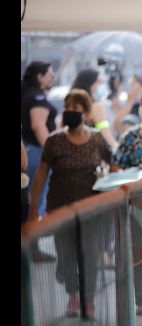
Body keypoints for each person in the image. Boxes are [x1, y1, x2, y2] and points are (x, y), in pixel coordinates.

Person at [27, 88, 113, 317]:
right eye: (67, 108)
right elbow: (41, 176)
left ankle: (87, 299)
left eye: (75, 108)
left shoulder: (96, 139)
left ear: (86, 113)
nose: (69, 112)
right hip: (60, 209)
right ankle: (72, 293)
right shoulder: (55, 141)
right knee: (65, 256)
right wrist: (34, 209)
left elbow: (113, 164)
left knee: (89, 254)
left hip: (90, 209)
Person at [21, 61, 58, 261]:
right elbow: (38, 125)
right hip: (36, 151)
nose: (52, 77)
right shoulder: (36, 97)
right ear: (39, 77)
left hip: (30, 150)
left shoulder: (28, 94)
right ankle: (31, 247)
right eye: (49, 74)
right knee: (34, 201)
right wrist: (53, 150)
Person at [71, 68, 119, 149]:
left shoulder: (71, 104)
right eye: (98, 82)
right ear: (89, 83)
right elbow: (104, 131)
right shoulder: (95, 107)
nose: (101, 85)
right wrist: (117, 148)